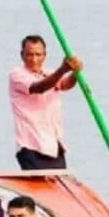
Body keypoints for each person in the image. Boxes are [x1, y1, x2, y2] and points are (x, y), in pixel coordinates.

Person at [8, 34, 84, 170]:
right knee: (40, 183)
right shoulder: (17, 74)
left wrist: (75, 73)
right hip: (32, 147)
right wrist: (62, 70)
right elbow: (39, 87)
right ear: (22, 55)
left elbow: (65, 84)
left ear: (45, 55)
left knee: (60, 183)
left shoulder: (49, 73)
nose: (34, 59)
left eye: (38, 54)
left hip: (54, 147)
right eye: (29, 54)